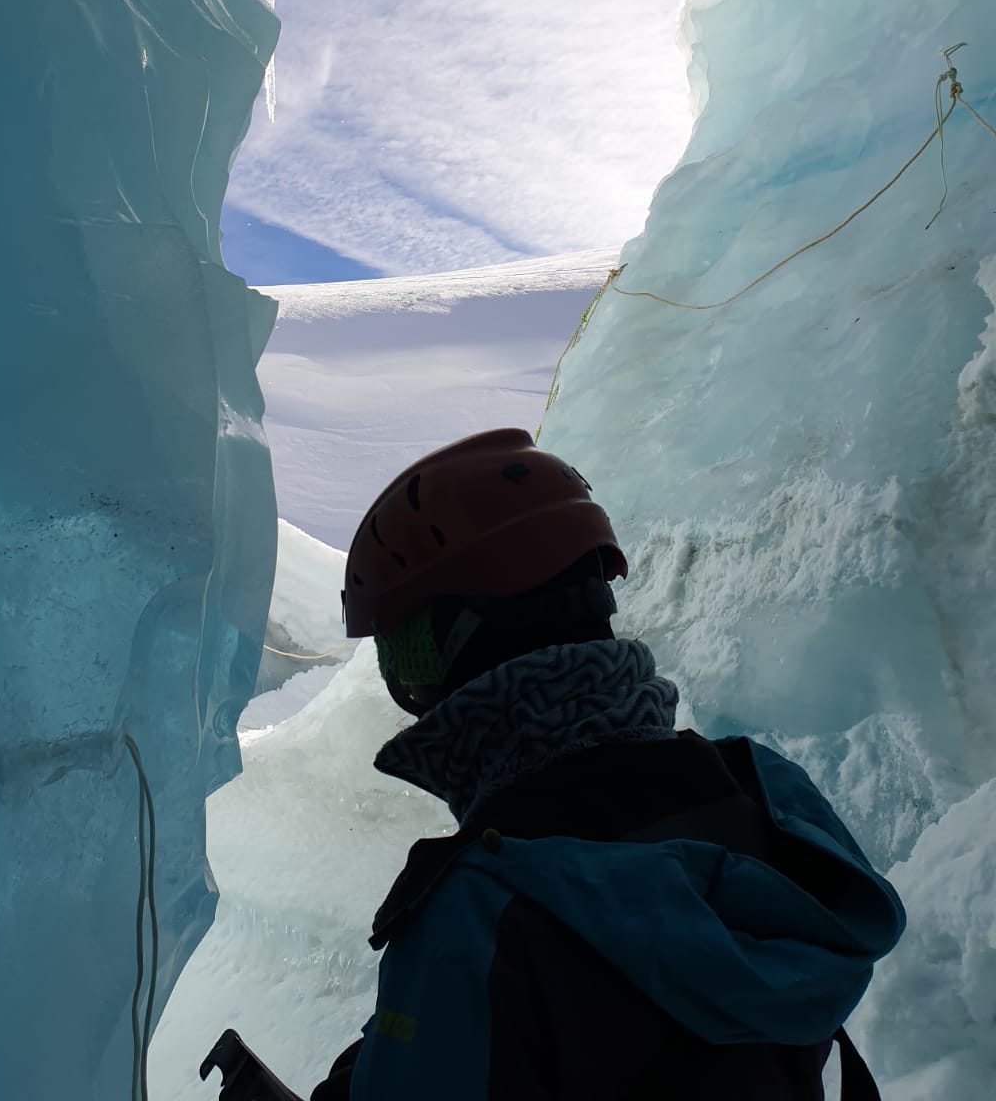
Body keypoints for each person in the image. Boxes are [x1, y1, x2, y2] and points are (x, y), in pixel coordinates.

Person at [311, 428, 906, 1101]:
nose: (408, 689)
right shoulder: (767, 798)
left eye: (407, 655)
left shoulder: (476, 916)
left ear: (464, 638)